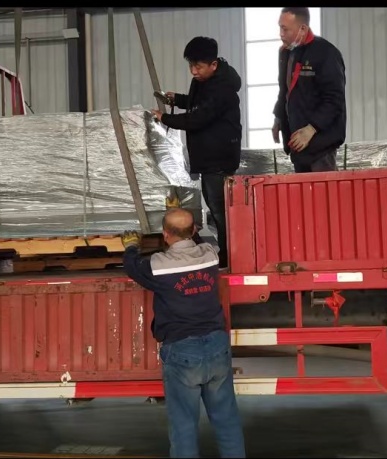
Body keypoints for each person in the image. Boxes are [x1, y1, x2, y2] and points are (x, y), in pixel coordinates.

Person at [122, 208, 245, 458]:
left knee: (184, 426)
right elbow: (199, 241)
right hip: (217, 346)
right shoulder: (210, 255)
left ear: (165, 234)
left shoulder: (158, 266)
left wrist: (131, 246)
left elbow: (132, 267)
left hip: (182, 350)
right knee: (227, 420)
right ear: (194, 230)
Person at [151, 36, 242, 269]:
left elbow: (199, 117)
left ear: (214, 64)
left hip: (218, 157)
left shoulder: (222, 88)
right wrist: (178, 99)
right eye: (191, 65)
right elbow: (198, 103)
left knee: (219, 210)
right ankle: (228, 252)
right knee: (216, 207)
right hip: (208, 156)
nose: (193, 71)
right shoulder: (204, 81)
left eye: (198, 66)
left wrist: (165, 118)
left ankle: (231, 255)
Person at [272, 7, 347, 173]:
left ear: (303, 29)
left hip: (321, 146)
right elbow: (284, 90)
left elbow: (334, 99)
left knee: (323, 189)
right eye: (280, 27)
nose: (281, 34)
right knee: (303, 190)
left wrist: (311, 129)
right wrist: (279, 118)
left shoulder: (326, 53)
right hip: (298, 145)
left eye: (285, 29)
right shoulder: (285, 53)